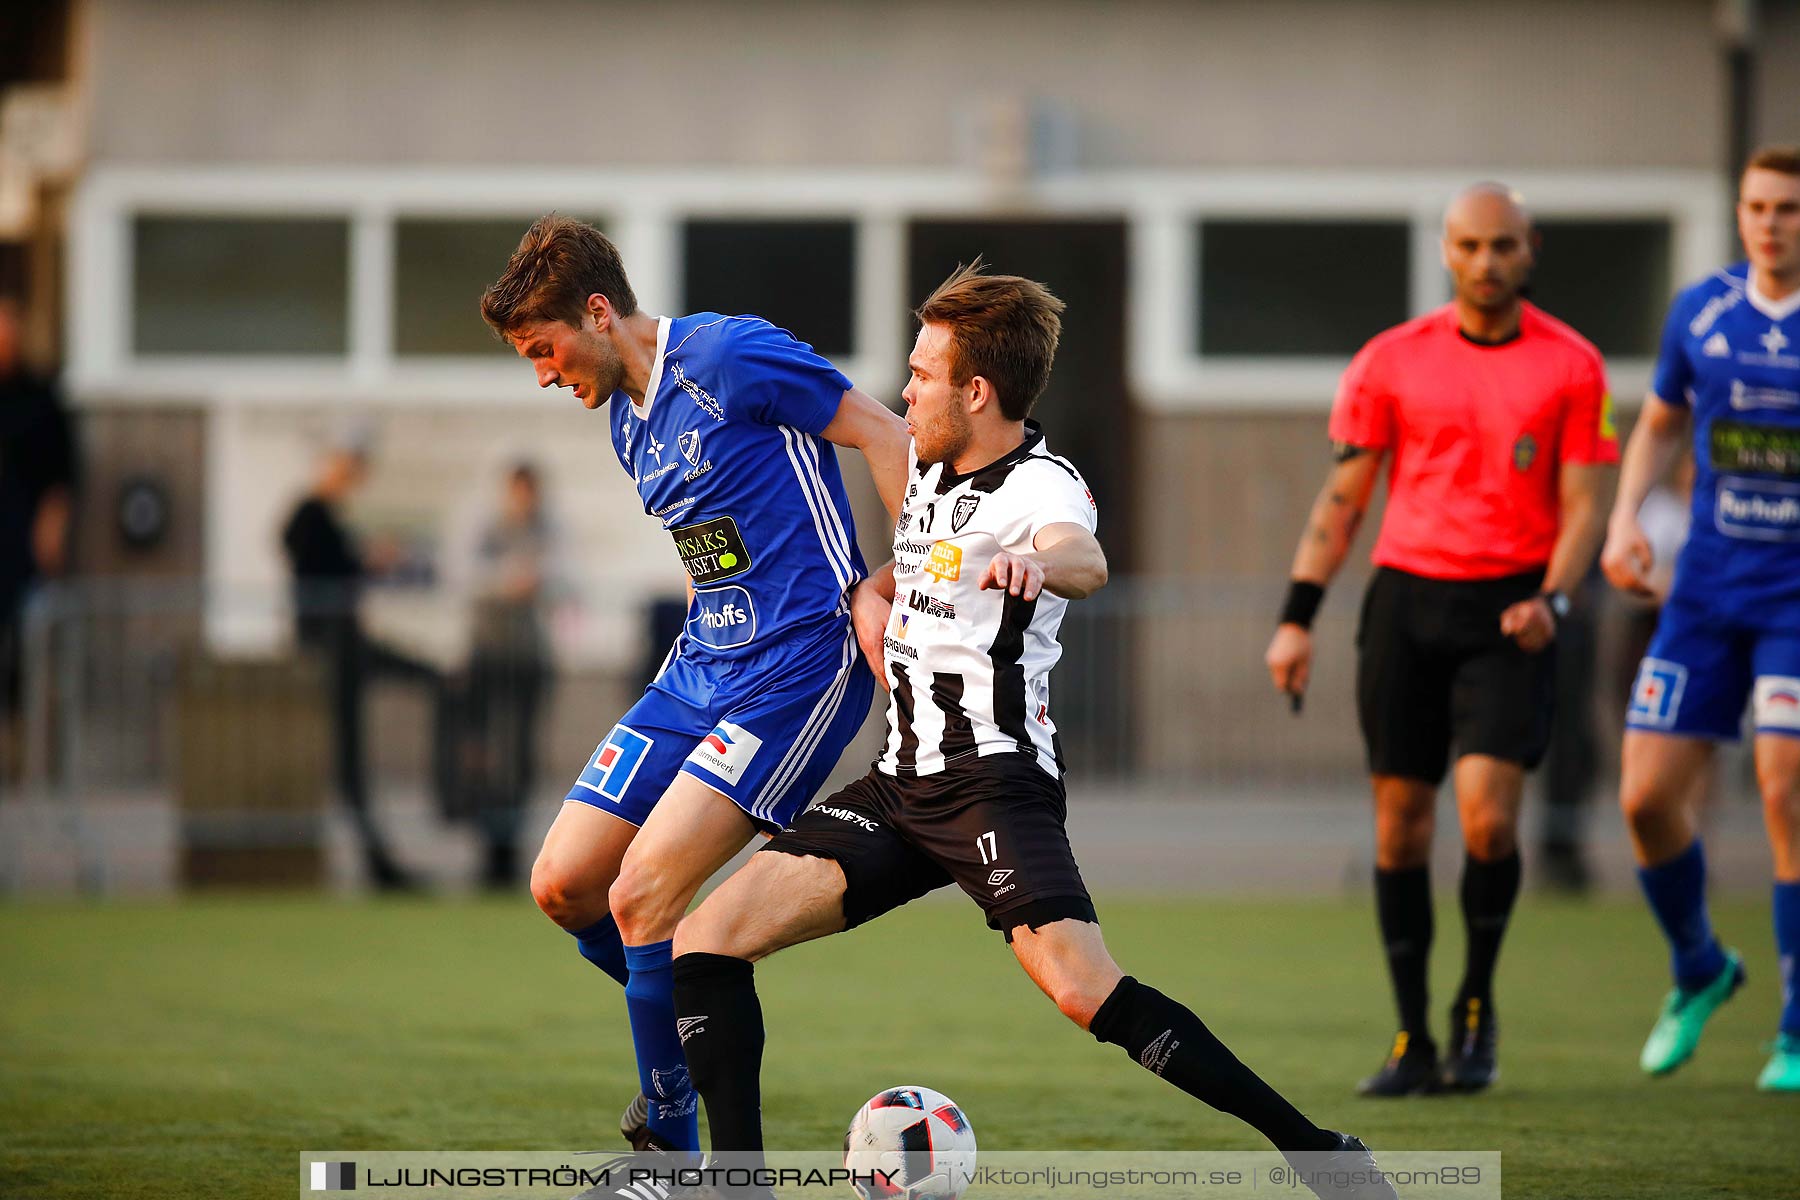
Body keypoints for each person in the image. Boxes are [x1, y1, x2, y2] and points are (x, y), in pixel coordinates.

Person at [669, 263, 1395, 1200]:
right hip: (899, 787)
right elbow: (914, 567)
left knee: (1084, 990)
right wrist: (872, 596)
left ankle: (1317, 1153)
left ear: (976, 392)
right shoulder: (927, 473)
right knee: (707, 939)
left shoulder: (1045, 486)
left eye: (923, 374)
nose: (907, 389)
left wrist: (1034, 562)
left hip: (992, 785)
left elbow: (1081, 557)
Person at [480, 216, 909, 1153]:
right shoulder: (629, 424)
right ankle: (694, 1024)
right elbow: (709, 554)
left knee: (640, 897)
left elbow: (884, 430)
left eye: (543, 350)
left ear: (598, 313)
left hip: (797, 670)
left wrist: (895, 581)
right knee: (563, 884)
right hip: (698, 670)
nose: (544, 374)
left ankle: (671, 1144)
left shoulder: (728, 355)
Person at [1264, 183, 1617, 1096]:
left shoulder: (1574, 365)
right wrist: (1296, 616)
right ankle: (1411, 1035)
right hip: (1408, 608)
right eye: (1469, 245)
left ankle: (1476, 1006)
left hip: (1513, 614)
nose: (1486, 262)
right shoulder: (1389, 361)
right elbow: (1343, 500)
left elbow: (1585, 508)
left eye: (1503, 245)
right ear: (1447, 251)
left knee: (1491, 819)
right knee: (1401, 826)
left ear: (1529, 249)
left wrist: (1554, 600)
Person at [1599, 145, 1800, 1092]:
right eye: (1759, 206)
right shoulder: (1704, 313)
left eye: (1789, 209)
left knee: (1781, 786)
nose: (1771, 223)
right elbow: (1661, 421)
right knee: (1643, 798)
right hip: (1706, 594)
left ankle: (1795, 1030)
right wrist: (1625, 517)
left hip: (1794, 601)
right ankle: (1701, 969)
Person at [282, 438, 441, 890]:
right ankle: (377, 860)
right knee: (347, 759)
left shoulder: (323, 517)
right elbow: (309, 553)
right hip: (332, 648)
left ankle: (379, 858)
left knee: (355, 755)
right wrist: (362, 560)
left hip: (346, 643)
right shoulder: (311, 515)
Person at [446, 461, 565, 889]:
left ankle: (509, 848)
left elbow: (565, 579)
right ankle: (487, 848)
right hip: (488, 653)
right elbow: (464, 574)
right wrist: (507, 581)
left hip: (528, 654)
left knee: (520, 754)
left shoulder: (549, 529)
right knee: (482, 752)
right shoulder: (486, 526)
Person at [0, 295, 76, 780]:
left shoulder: (40, 398)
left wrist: (50, 534)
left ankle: (24, 759)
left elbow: (61, 480)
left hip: (18, 550)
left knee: (24, 654)